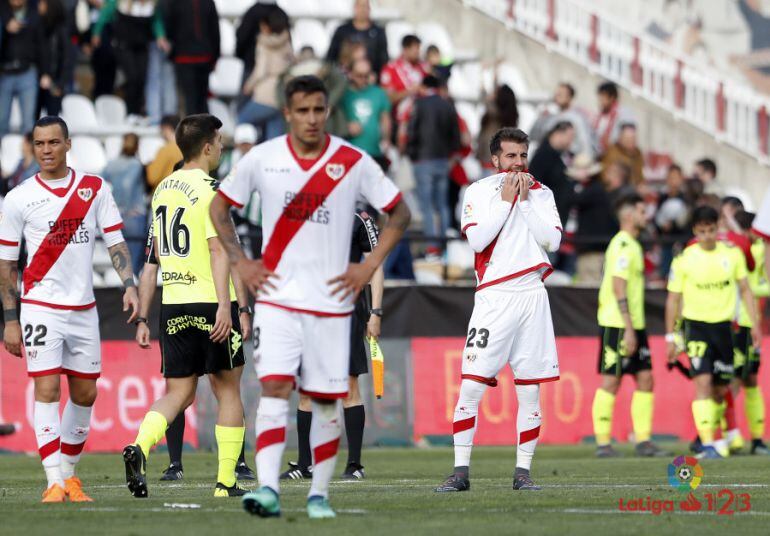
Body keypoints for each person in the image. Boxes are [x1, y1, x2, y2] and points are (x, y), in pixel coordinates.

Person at [209, 75, 410, 519]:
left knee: (324, 398)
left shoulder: (352, 160)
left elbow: (400, 212)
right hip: (278, 300)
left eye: (319, 109)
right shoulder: (263, 159)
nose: (312, 118)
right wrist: (240, 263)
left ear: (327, 111)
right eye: (303, 111)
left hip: (332, 305)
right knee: (275, 387)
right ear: (287, 113)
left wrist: (368, 264)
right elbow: (218, 207)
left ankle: (319, 494)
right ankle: (267, 489)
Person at [0, 115, 139, 502]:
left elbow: (115, 241)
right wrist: (10, 321)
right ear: (33, 146)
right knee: (46, 388)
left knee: (85, 394)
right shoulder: (19, 197)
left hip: (84, 308)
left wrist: (129, 285)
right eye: (40, 143)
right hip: (41, 306)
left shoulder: (94, 189)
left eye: (53, 143)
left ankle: (70, 477)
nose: (46, 150)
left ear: (68, 144)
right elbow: (7, 264)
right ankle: (53, 481)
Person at [122, 114, 249, 499]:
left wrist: (144, 315)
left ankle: (140, 447)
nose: (223, 147)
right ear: (207, 147)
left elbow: (153, 260)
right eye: (220, 141)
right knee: (228, 392)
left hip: (174, 305)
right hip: (211, 302)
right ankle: (226, 482)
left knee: (178, 393)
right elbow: (219, 250)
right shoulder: (213, 189)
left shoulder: (162, 190)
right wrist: (228, 307)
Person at [436, 127, 562, 493]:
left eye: (522, 155)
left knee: (530, 391)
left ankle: (523, 472)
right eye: (510, 156)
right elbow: (477, 239)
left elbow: (552, 240)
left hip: (533, 295)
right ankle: (460, 472)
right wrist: (507, 202)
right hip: (495, 296)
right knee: (472, 387)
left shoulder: (542, 193)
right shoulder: (478, 191)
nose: (518, 163)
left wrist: (523, 203)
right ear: (495, 160)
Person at [280, 210, 385, 481]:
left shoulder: (357, 217)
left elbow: (376, 265)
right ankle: (305, 463)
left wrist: (376, 311)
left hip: (346, 310)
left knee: (348, 386)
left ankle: (354, 464)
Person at [665, 205, 760, 459]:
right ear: (695, 230)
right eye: (702, 231)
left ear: (717, 228)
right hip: (696, 327)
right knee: (703, 383)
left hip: (724, 328)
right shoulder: (685, 259)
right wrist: (671, 337)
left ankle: (714, 437)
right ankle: (707, 444)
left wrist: (756, 325)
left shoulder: (732, 255)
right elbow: (673, 299)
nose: (707, 236)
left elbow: (746, 290)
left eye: (711, 230)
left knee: (720, 389)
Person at [592, 194, 668, 458]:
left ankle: (644, 440)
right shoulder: (623, 244)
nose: (645, 216)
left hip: (634, 323)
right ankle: (603, 444)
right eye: (641, 211)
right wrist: (628, 327)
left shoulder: (633, 244)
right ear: (627, 215)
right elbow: (618, 285)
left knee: (646, 378)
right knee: (611, 380)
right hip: (618, 324)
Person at [729, 210, 770, 455]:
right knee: (732, 379)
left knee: (750, 380)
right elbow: (753, 286)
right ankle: (726, 434)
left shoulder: (753, 250)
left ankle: (756, 439)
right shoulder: (745, 252)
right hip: (740, 324)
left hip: (750, 324)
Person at [406, 74, 461, 258]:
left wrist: (412, 154)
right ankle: (445, 245)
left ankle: (432, 247)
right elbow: (456, 135)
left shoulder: (420, 104)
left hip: (423, 159)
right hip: (442, 160)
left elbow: (412, 131)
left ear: (424, 86)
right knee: (443, 204)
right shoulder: (447, 105)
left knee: (427, 205)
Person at [91, 0, 166, 122]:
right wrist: (97, 33)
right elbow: (105, 15)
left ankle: (138, 111)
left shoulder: (150, 6)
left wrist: (160, 36)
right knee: (132, 77)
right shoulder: (120, 3)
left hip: (141, 47)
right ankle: (130, 111)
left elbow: (156, 22)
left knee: (141, 79)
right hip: (123, 46)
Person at [238, 8, 293, 141]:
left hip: (265, 95)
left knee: (241, 121)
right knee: (274, 141)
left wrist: (249, 86)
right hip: (281, 95)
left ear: (268, 26)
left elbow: (261, 71)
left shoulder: (263, 44)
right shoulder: (287, 42)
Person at [0, 0, 49, 137]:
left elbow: (42, 46)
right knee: (1, 121)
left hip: (27, 71)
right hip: (5, 72)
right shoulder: (3, 13)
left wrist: (45, 72)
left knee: (28, 123)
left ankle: (27, 158)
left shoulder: (34, 14)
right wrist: (5, 25)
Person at [101, 133, 147, 275]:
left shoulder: (112, 164)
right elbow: (132, 187)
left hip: (117, 214)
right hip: (135, 214)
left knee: (121, 258)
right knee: (135, 260)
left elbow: (100, 179)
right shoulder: (137, 165)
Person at [163, 0, 219, 115]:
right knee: (201, 99)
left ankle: (195, 131)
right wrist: (215, 57)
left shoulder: (175, 3)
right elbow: (215, 31)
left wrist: (173, 53)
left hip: (184, 57)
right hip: (204, 57)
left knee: (190, 100)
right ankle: (204, 130)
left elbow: (169, 28)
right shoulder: (209, 2)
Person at [341, 58, 392, 170]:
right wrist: (345, 127)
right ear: (350, 74)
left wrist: (386, 140)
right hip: (349, 153)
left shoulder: (378, 93)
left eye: (366, 75)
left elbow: (385, 118)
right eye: (359, 75)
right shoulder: (343, 94)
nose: (363, 79)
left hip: (374, 153)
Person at [528, 120, 575, 227]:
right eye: (569, 137)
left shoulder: (558, 155)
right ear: (558, 133)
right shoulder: (543, 155)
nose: (570, 141)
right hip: (546, 216)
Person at [530, 82, 595, 158]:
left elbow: (585, 145)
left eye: (560, 94)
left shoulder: (577, 118)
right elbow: (535, 137)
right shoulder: (552, 116)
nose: (556, 97)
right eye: (556, 94)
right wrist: (541, 118)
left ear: (569, 97)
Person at [381, 34, 428, 135]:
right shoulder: (391, 69)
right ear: (405, 49)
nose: (418, 53)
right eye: (415, 50)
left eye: (419, 49)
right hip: (399, 120)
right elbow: (387, 99)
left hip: (424, 116)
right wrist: (411, 91)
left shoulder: (423, 68)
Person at [327, 0, 388, 77]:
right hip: (344, 77)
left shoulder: (379, 32)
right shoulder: (342, 30)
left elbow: (383, 59)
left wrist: (375, 75)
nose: (362, 9)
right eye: (359, 6)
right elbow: (331, 56)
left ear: (369, 9)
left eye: (365, 6)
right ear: (354, 8)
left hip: (370, 79)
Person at [235, 1, 289, 86]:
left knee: (245, 97)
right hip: (279, 72)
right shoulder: (282, 13)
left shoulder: (252, 12)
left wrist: (241, 54)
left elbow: (242, 35)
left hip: (251, 62)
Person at [37, 0, 73, 118]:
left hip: (54, 83)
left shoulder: (62, 29)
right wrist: (41, 75)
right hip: (37, 80)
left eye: (42, 3)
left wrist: (59, 84)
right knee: (33, 122)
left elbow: (67, 59)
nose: (39, 6)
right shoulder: (37, 26)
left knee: (53, 121)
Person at [475, 84, 519, 170]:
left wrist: (483, 89)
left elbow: (486, 100)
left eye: (495, 93)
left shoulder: (495, 112)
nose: (492, 95)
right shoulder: (508, 114)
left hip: (489, 159)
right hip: (496, 158)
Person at [593, 81, 635, 154]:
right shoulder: (601, 116)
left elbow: (629, 135)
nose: (600, 102)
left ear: (612, 98)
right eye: (600, 99)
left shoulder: (623, 113)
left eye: (603, 99)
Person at [146, 114, 182, 190]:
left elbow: (152, 178)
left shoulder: (166, 150)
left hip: (166, 195)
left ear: (166, 128)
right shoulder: (188, 148)